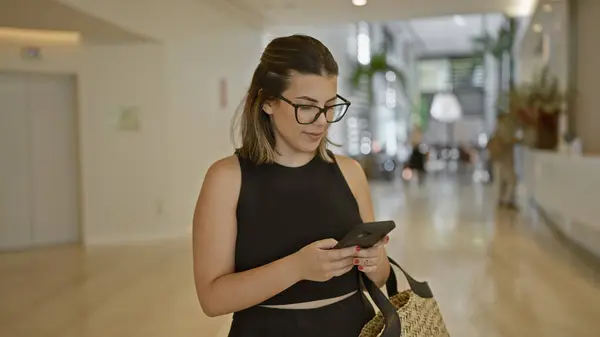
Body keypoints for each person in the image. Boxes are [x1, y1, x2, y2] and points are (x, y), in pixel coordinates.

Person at [191, 34, 391, 337]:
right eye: (306, 106)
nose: (322, 121)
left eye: (330, 106)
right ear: (267, 101)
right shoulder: (226, 179)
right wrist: (297, 268)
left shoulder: (350, 172)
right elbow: (212, 299)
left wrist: (374, 261)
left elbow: (379, 277)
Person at [487, 113, 518, 209]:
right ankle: (507, 200)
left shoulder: (499, 127)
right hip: (504, 158)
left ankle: (502, 200)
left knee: (500, 180)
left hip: (499, 158)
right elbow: (507, 139)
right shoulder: (506, 126)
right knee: (511, 180)